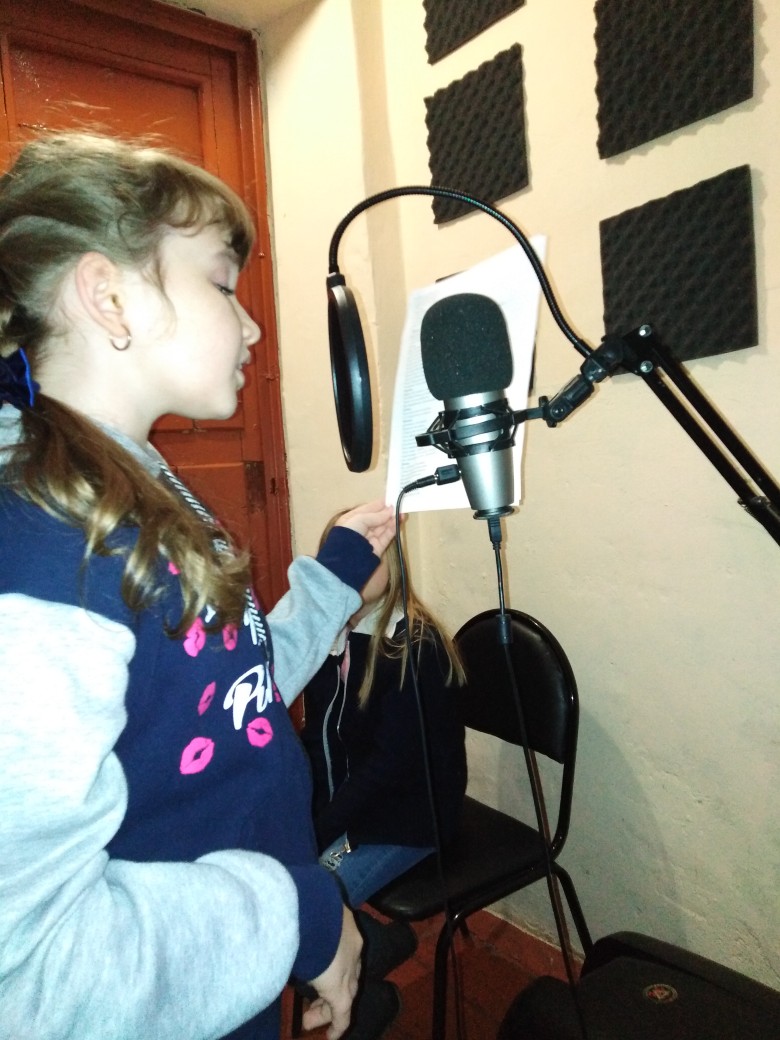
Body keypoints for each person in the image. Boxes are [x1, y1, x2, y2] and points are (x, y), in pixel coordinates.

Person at [0, 132, 398, 1040]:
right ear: (108, 296)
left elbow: (222, 701)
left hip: (213, 982)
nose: (251, 326)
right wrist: (298, 915)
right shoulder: (40, 553)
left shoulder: (125, 489)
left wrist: (337, 581)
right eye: (222, 283)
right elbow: (26, 973)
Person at [301, 511, 468, 909]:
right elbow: (319, 737)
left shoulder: (414, 648)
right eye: (341, 554)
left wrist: (321, 830)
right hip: (353, 806)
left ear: (392, 565)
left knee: (310, 903)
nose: (353, 567)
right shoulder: (335, 635)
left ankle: (367, 944)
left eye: (369, 555)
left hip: (404, 819)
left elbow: (389, 767)